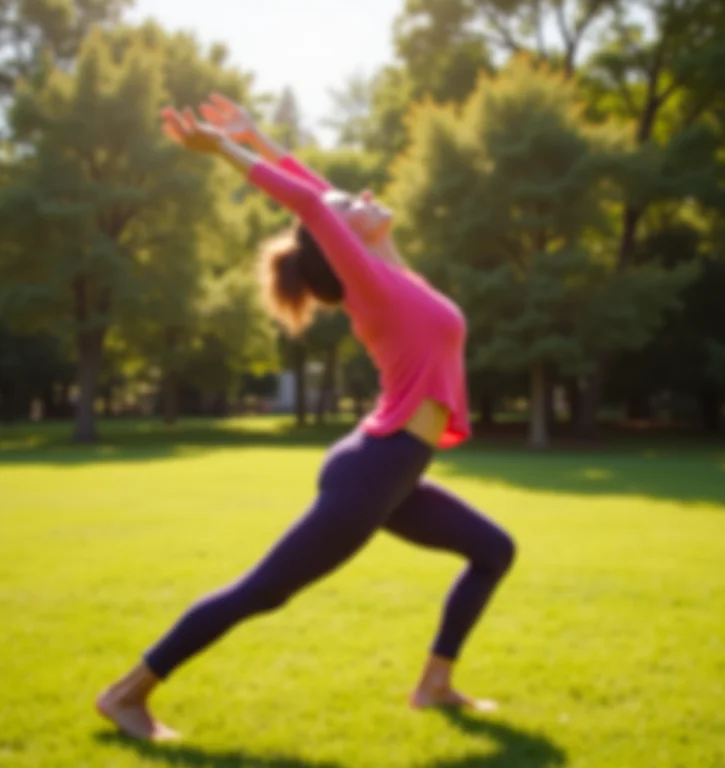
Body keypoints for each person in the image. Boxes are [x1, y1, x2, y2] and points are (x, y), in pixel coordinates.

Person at [96, 95, 516, 741]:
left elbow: (321, 195)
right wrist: (225, 152)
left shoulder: (391, 269)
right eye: (354, 204)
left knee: (492, 550)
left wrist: (259, 135)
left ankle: (434, 684)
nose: (364, 194)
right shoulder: (370, 287)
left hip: (393, 466)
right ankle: (128, 693)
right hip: (374, 473)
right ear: (342, 238)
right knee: (263, 591)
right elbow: (315, 207)